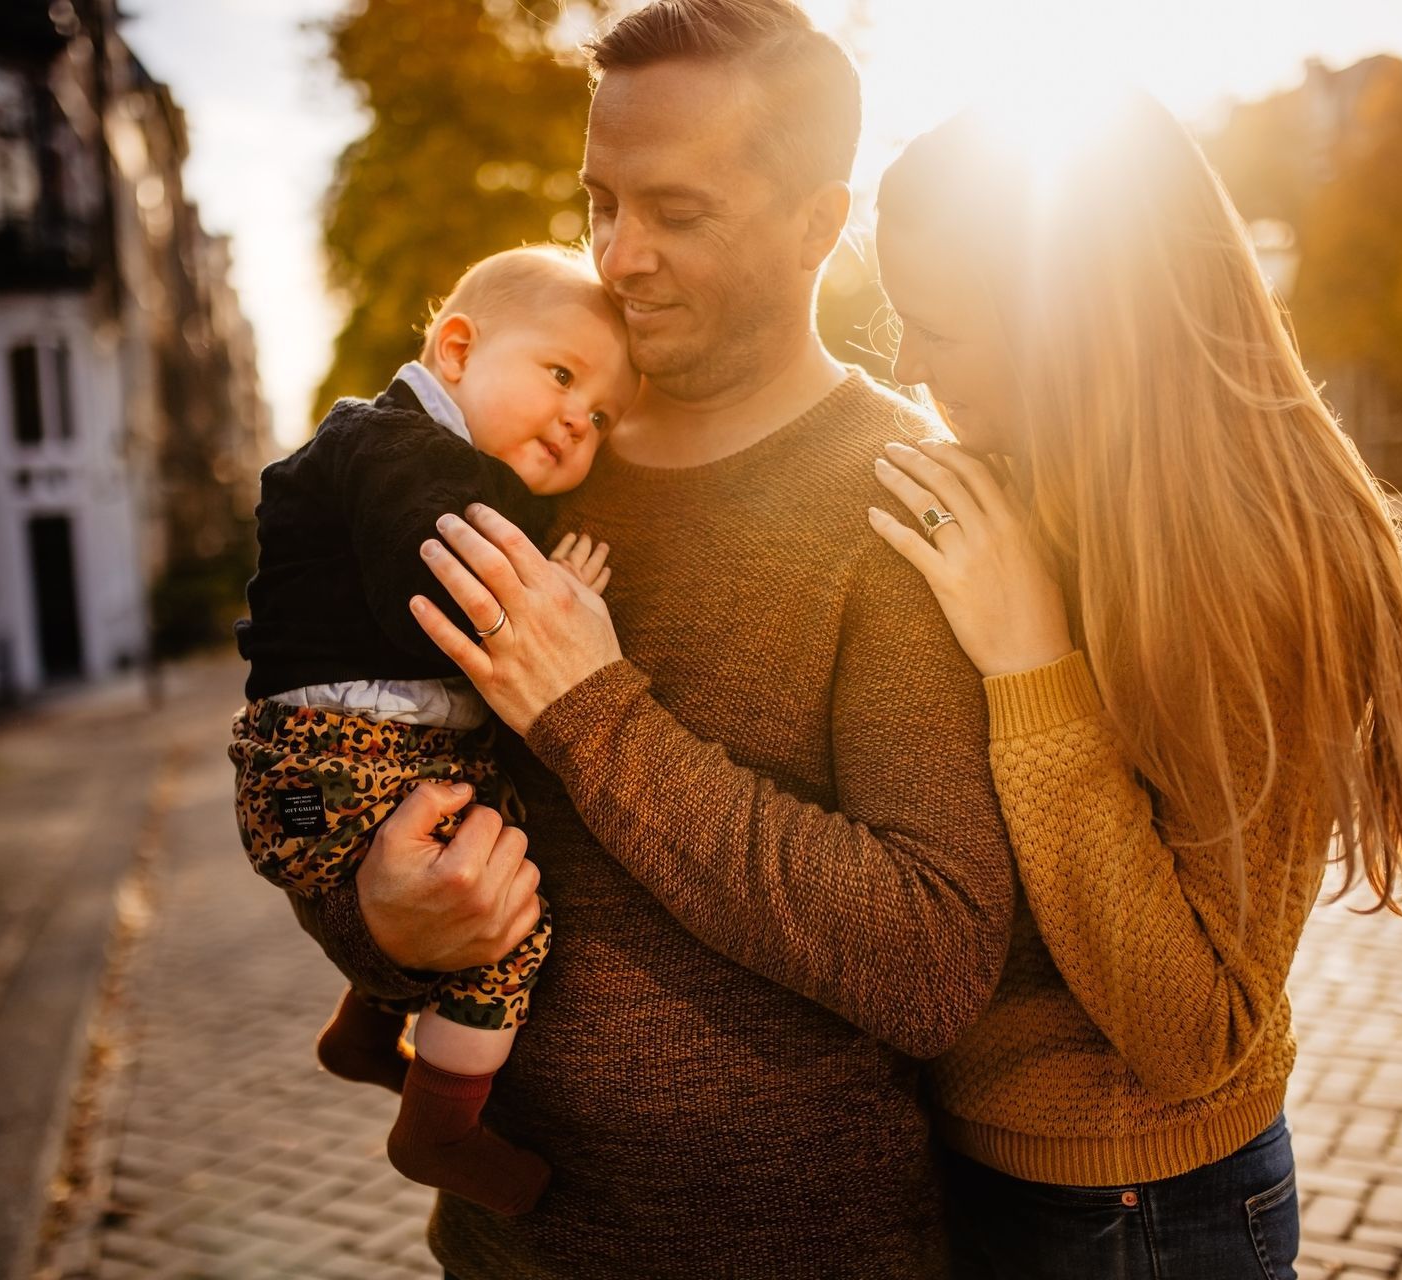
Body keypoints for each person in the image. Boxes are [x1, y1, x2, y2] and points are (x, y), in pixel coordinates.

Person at [289, 2, 1017, 1275]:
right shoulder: (516, 466)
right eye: (598, 203)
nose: (617, 259)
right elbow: (351, 777)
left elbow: (934, 958)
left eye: (678, 214)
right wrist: (378, 921)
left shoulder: (903, 495)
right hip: (508, 1248)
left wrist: (597, 714)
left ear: (815, 225)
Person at [866, 101, 1402, 1277]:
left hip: (1138, 1212)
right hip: (965, 1171)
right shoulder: (1030, 482)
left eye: (934, 327)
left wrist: (1034, 670)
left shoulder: (1260, 568)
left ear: (1073, 327)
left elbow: (1193, 1030)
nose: (902, 368)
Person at [229, 244, 636, 1218]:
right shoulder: (413, 457)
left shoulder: (387, 447)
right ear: (456, 348)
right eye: (562, 375)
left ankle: (366, 1032)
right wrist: (557, 600)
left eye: (604, 416)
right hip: (346, 759)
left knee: (475, 823)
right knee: (508, 918)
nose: (580, 419)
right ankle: (439, 1127)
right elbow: (443, 590)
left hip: (335, 758)